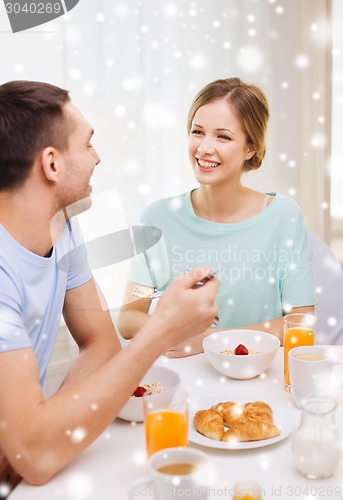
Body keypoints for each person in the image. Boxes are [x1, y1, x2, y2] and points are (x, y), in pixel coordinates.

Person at [0, 80, 219, 493]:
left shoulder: (60, 225)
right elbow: (38, 460)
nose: (98, 158)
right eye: (87, 145)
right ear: (51, 164)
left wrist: (42, 427)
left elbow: (101, 343)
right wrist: (160, 331)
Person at [118, 77, 315, 357]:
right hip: (182, 378)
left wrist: (212, 341)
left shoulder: (284, 217)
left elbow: (301, 322)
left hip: (257, 379)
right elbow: (129, 316)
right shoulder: (157, 220)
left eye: (223, 136)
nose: (204, 148)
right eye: (198, 132)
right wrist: (171, 331)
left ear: (251, 148)